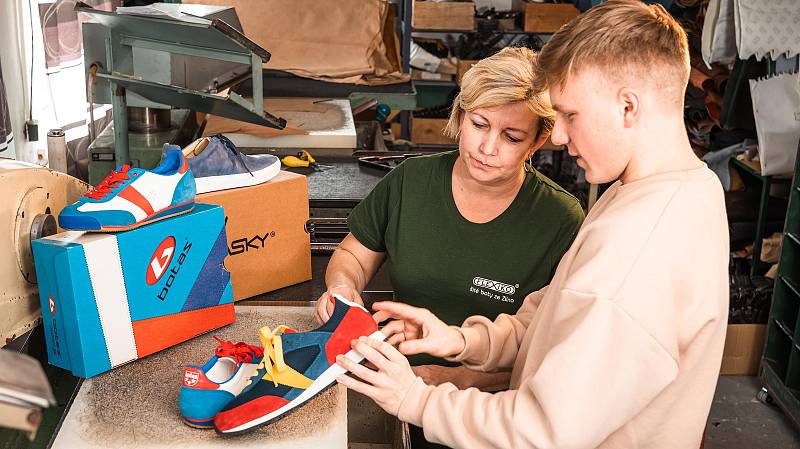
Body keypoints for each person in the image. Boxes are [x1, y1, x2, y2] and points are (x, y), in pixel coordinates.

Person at [333, 1, 730, 448]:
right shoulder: (671, 190)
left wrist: (417, 400)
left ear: (628, 107)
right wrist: (460, 339)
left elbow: (540, 430)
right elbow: (551, 318)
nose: (557, 136)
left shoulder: (638, 248)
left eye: (571, 115)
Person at [315, 47, 584, 392]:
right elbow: (352, 255)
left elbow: (558, 350)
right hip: (394, 381)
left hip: (491, 409)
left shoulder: (559, 218)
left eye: (511, 137)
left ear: (537, 141)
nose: (488, 147)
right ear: (460, 115)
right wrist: (343, 288)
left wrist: (466, 380)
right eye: (479, 124)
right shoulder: (411, 180)